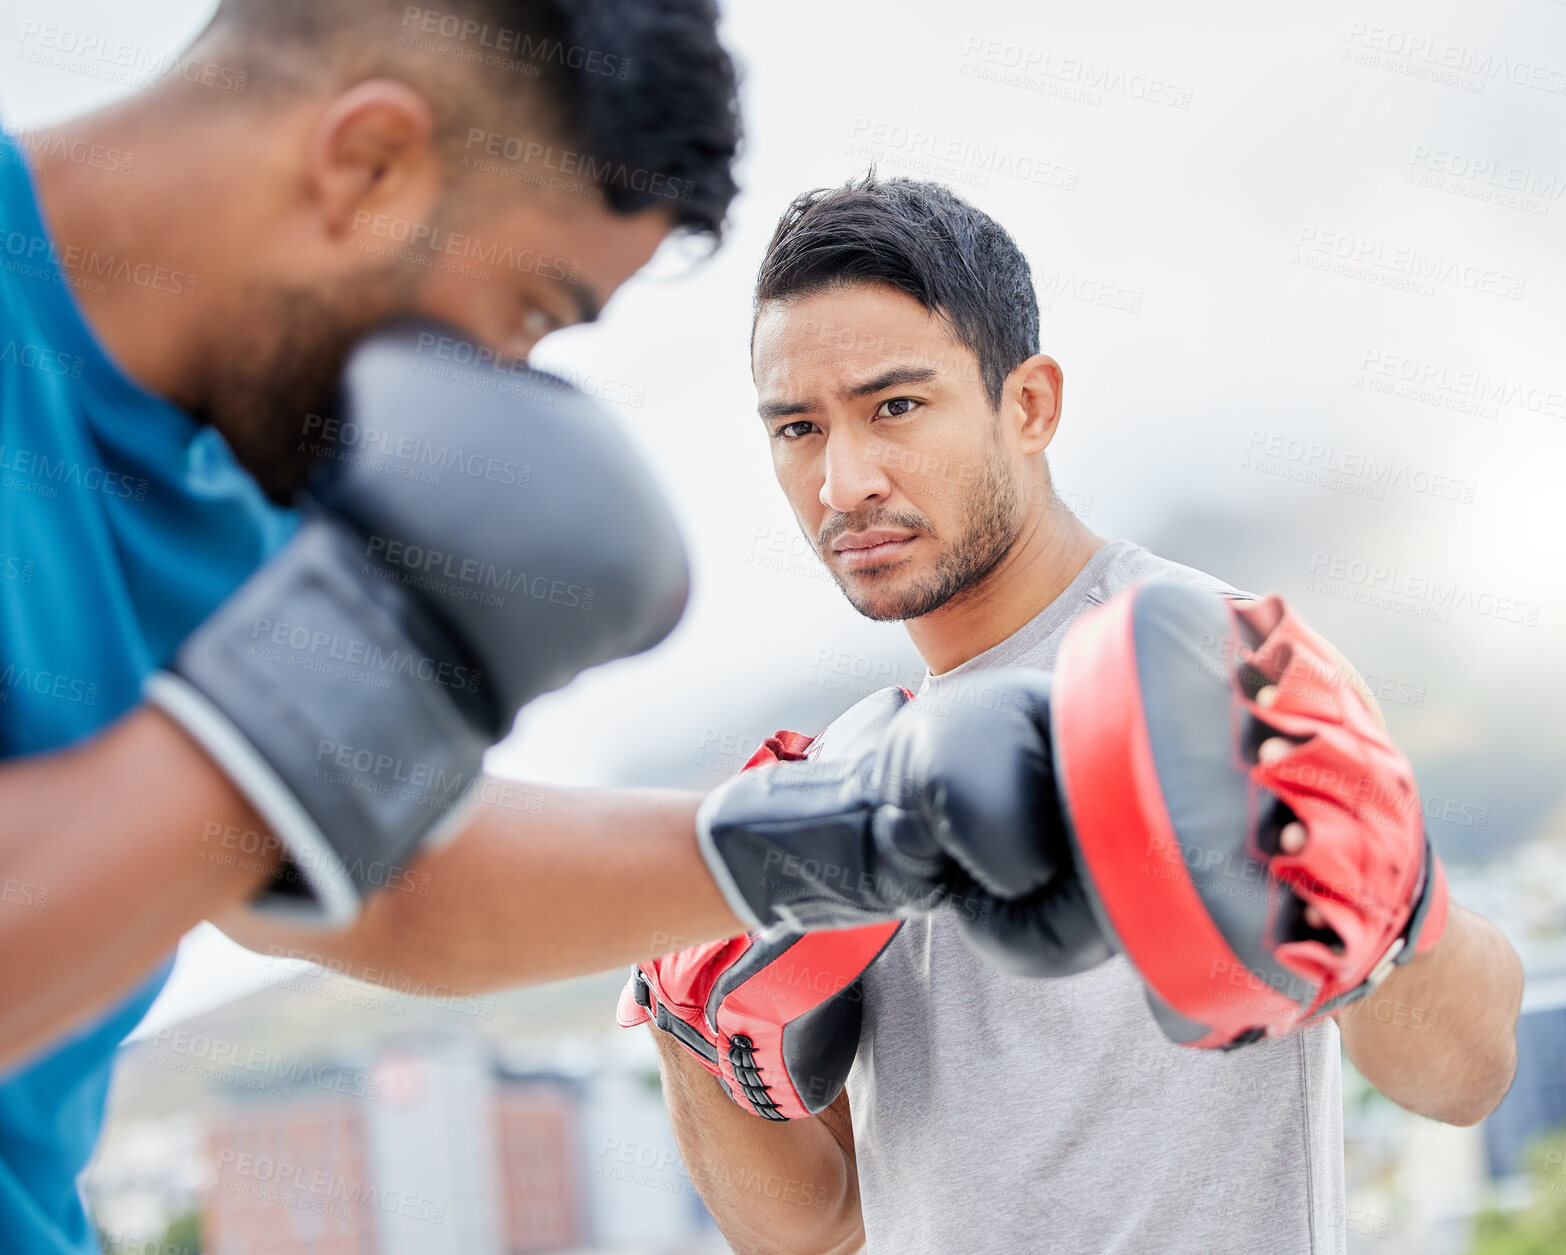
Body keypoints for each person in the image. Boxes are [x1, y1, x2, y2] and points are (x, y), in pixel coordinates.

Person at [0, 7, 1096, 1250]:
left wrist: (848, 838)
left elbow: (387, 884)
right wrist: (326, 688)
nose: (500, 390)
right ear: (365, 162)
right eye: (527, 310)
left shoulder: (223, 476)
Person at [636, 175, 1526, 1254]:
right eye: (796, 428)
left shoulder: (1207, 665)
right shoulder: (848, 776)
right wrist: (685, 1016)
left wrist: (1372, 910)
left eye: (894, 407)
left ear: (1030, 405)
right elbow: (807, 1227)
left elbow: (1465, 1073)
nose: (843, 480)